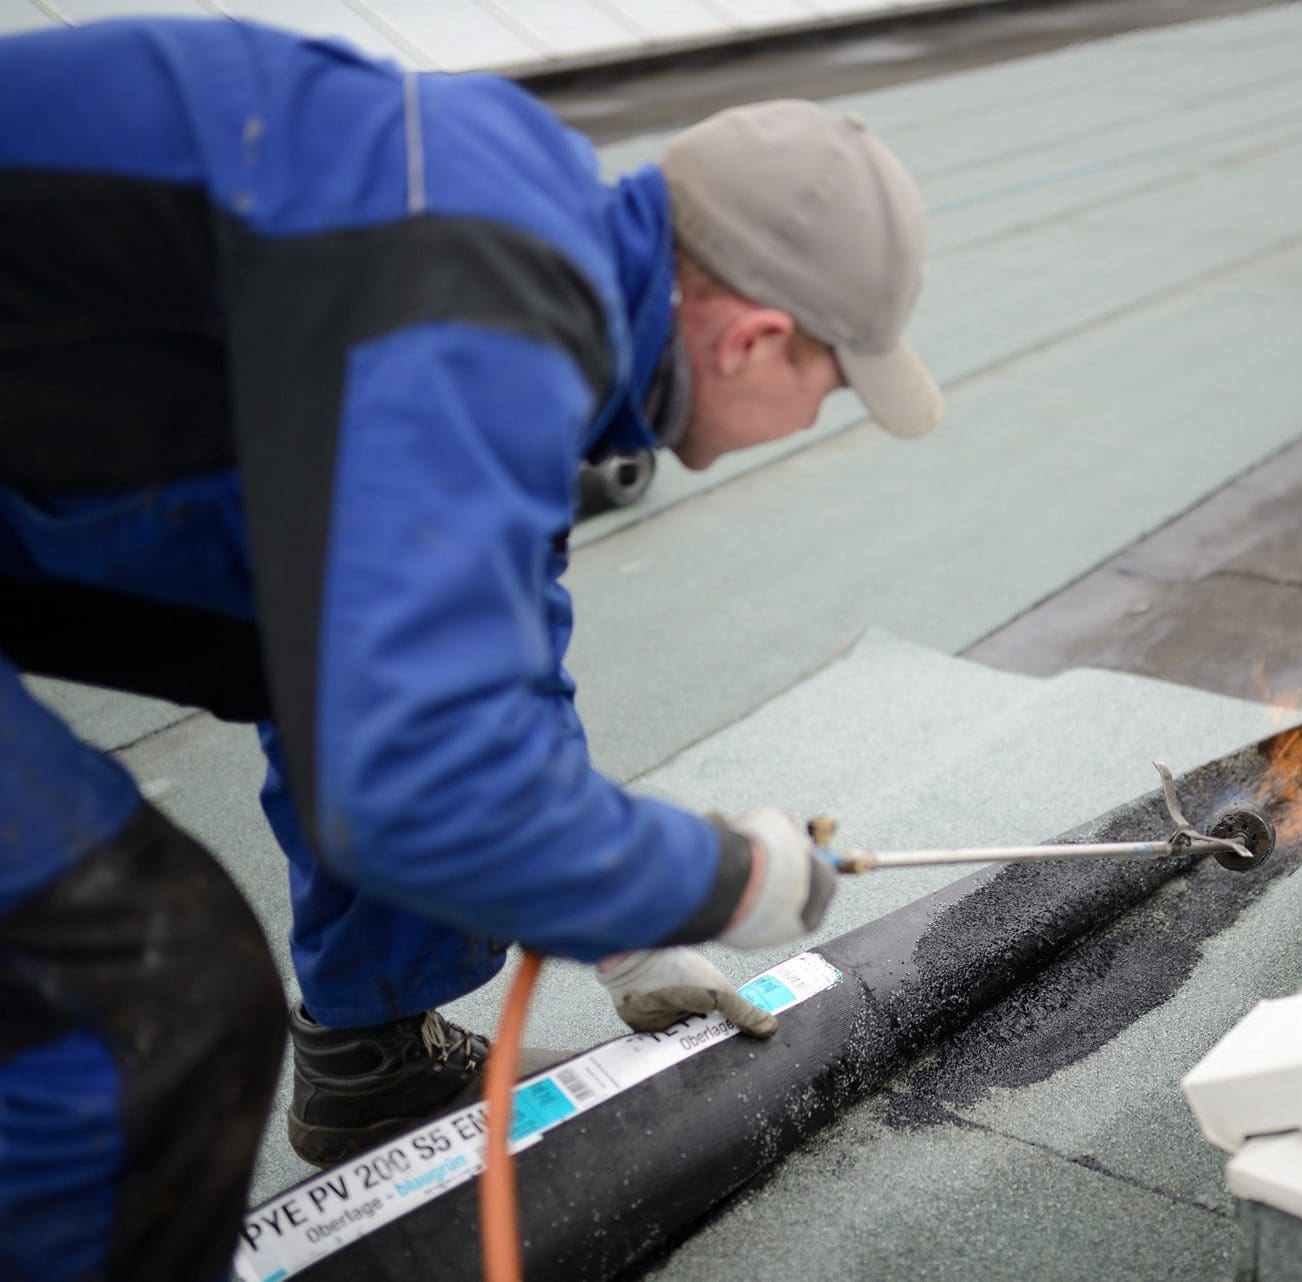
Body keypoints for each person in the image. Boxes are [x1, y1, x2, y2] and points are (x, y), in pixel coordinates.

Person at [0, 15, 941, 1281]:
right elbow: (427, 782)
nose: (813, 413)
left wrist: (614, 921)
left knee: (342, 666)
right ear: (756, 339)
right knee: (138, 1001)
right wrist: (717, 882)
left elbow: (474, 673)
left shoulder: (518, 262)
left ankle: (371, 1060)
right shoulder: (485, 286)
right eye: (832, 384)